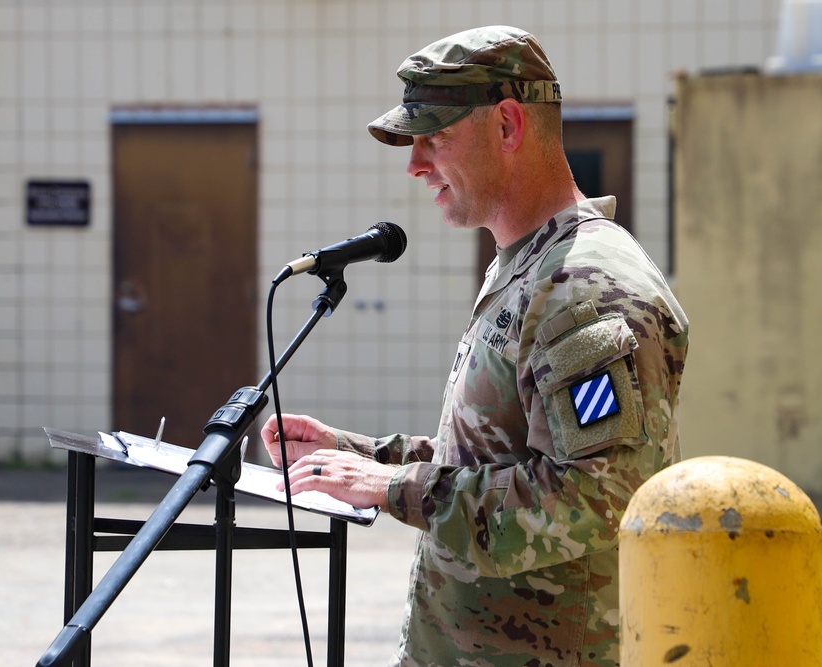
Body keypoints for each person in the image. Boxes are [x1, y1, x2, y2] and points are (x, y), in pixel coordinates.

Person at [260, 26, 689, 667]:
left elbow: (593, 500)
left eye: (435, 136)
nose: (414, 163)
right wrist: (357, 458)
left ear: (509, 125)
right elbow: (497, 452)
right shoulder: (528, 266)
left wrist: (396, 487)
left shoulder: (586, 288)